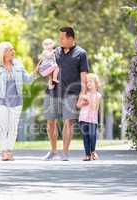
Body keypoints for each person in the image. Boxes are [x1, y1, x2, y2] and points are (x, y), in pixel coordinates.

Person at [0, 41, 38, 161]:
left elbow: (28, 79)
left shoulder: (18, 65)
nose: (13, 52)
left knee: (13, 128)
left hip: (16, 102)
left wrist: (35, 73)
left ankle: (9, 151)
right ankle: (4, 152)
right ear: (3, 53)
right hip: (1, 101)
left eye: (13, 49)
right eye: (10, 50)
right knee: (3, 127)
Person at [43, 26, 89, 161]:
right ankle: (53, 150)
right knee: (50, 122)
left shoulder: (81, 53)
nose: (60, 40)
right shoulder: (55, 52)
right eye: (59, 38)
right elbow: (48, 68)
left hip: (72, 93)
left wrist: (83, 93)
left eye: (62, 38)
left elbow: (83, 74)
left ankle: (64, 152)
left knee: (68, 122)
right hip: (53, 92)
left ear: (71, 38)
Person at [77, 74, 102, 161]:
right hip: (83, 118)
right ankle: (87, 154)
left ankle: (93, 151)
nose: (88, 84)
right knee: (85, 137)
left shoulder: (98, 95)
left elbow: (95, 109)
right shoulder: (84, 93)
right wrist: (83, 102)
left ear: (96, 83)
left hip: (92, 120)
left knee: (92, 136)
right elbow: (78, 105)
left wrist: (89, 100)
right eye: (87, 82)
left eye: (90, 81)